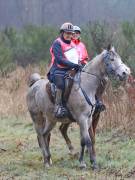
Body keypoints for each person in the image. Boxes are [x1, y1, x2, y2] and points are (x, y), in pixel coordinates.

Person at [47, 22, 82, 118]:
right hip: (57, 70)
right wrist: (74, 65)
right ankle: (58, 106)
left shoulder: (73, 45)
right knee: (61, 84)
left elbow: (77, 57)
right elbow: (60, 59)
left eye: (71, 33)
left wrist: (78, 64)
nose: (69, 35)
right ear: (62, 33)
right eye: (67, 33)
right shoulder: (57, 43)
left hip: (70, 69)